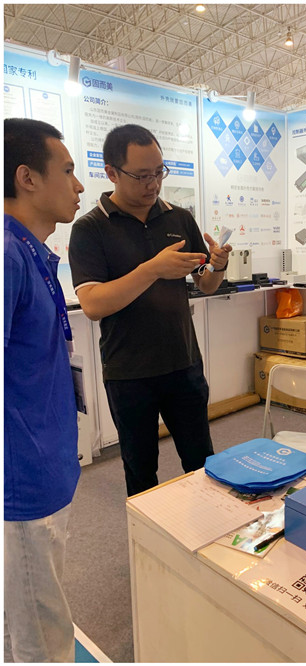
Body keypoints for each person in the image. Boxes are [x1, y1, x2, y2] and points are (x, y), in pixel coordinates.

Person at [69, 124, 230, 496]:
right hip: (129, 374)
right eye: (142, 175)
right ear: (112, 172)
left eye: (159, 172)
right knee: (141, 473)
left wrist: (218, 265)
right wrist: (151, 269)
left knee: (203, 463)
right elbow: (92, 304)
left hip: (184, 365)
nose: (153, 184)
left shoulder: (179, 218)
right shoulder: (90, 229)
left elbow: (205, 283)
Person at [4, 118, 84, 662]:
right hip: (21, 483)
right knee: (41, 639)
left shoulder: (32, 253)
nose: (78, 186)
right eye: (69, 170)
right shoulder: (8, 256)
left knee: (31, 618)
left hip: (43, 468)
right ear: (28, 178)